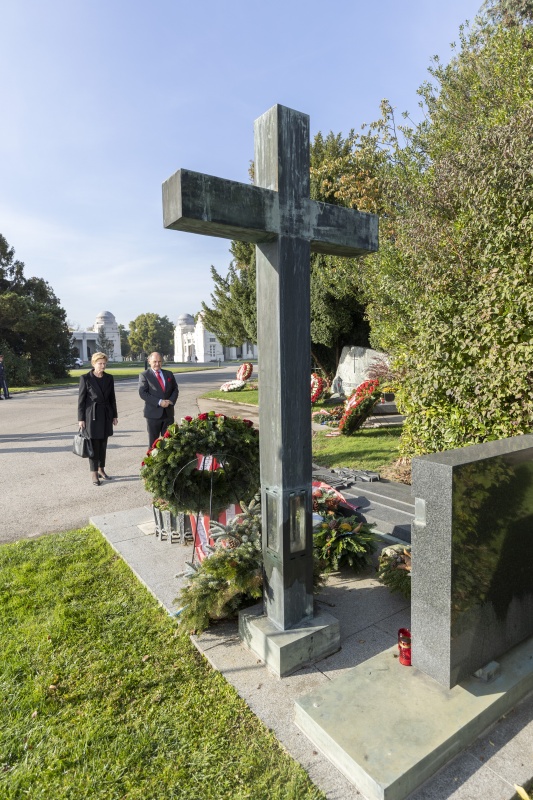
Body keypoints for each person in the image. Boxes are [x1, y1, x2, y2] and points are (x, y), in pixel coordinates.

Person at [78, 352, 118, 486]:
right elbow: (81, 401)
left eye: (104, 363)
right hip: (92, 416)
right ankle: (94, 472)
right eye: (100, 363)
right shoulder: (86, 378)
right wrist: (81, 419)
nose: (103, 366)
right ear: (94, 363)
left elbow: (112, 398)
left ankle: (101, 469)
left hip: (106, 414)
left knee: (103, 444)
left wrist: (114, 415)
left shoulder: (109, 378)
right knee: (94, 445)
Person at [139, 352, 179, 446]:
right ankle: (152, 460)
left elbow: (175, 389)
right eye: (155, 361)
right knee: (153, 444)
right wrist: (159, 402)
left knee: (169, 443)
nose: (157, 364)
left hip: (168, 414)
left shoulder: (168, 374)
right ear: (149, 361)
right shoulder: (145, 375)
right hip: (153, 415)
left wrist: (171, 401)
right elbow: (143, 393)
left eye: (159, 361)